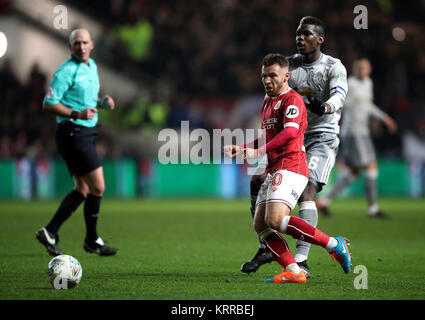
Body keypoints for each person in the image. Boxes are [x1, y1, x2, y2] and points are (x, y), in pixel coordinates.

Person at [224, 53, 351, 284]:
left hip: (291, 166)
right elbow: (268, 136)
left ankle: (334, 244)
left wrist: (258, 153)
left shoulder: (292, 100)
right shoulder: (268, 102)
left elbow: (291, 132)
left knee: (275, 219)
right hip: (275, 166)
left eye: (272, 75)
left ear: (286, 76)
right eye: (264, 76)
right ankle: (294, 270)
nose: (267, 80)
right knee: (261, 225)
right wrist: (243, 148)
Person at [36, 29, 118, 256]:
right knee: (98, 187)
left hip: (85, 132)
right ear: (70, 47)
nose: (81, 47)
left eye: (84, 43)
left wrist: (102, 103)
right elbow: (49, 103)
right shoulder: (65, 72)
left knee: (82, 189)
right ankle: (91, 240)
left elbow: (87, 99)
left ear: (91, 45)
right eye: (76, 44)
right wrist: (76, 114)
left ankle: (51, 231)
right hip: (73, 133)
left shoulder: (92, 66)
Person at [316, 58, 397, 218]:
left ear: (369, 69)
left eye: (364, 67)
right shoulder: (350, 84)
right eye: (359, 67)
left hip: (363, 132)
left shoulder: (368, 83)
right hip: (353, 133)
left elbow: (368, 106)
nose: (362, 70)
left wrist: (385, 118)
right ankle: (373, 209)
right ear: (354, 69)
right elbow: (338, 100)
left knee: (354, 173)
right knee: (371, 166)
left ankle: (323, 201)